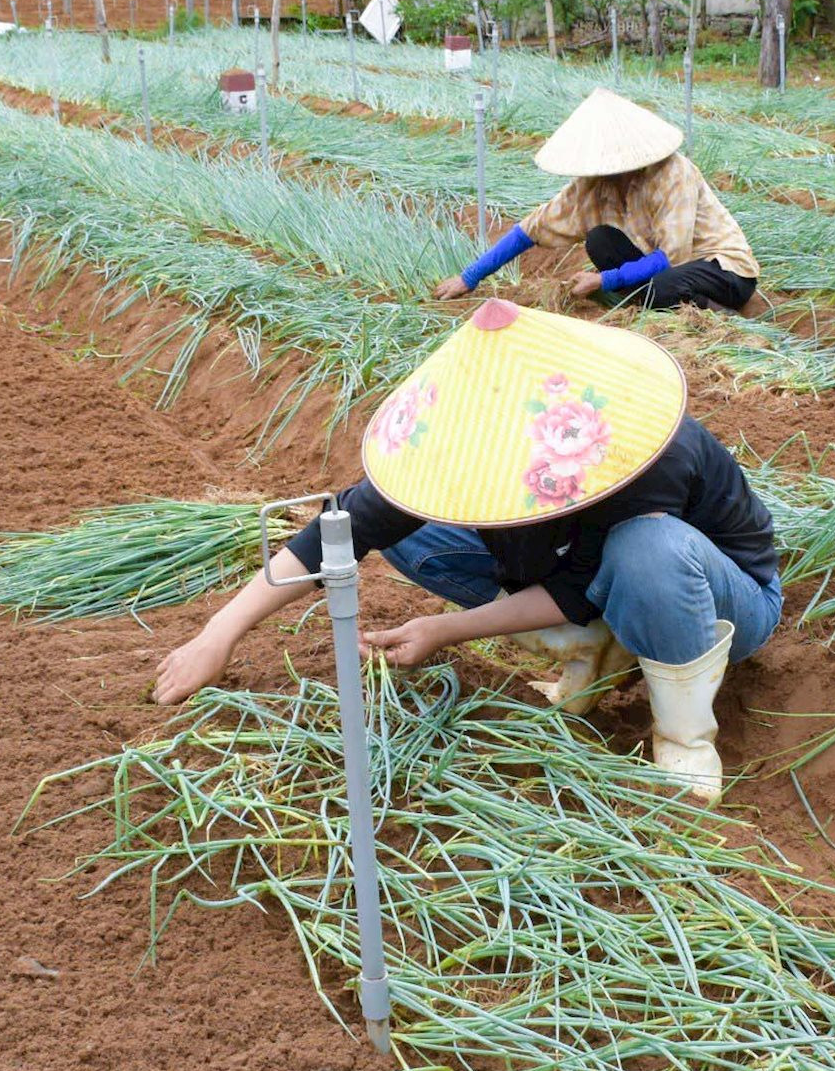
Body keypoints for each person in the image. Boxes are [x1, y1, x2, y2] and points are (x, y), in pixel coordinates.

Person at [153, 298, 781, 803]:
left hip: (724, 603)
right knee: (417, 523)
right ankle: (588, 647)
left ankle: (684, 737)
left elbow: (579, 583)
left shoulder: (642, 450)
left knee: (647, 548)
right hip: (596, 580)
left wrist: (443, 628)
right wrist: (220, 633)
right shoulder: (467, 444)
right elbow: (339, 532)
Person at [434, 87, 759, 315]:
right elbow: (530, 229)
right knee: (600, 240)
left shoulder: (673, 174)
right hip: (672, 272)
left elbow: (669, 258)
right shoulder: (593, 186)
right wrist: (469, 277)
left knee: (662, 285)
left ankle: (715, 315)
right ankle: (653, 304)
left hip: (724, 271)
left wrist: (604, 280)